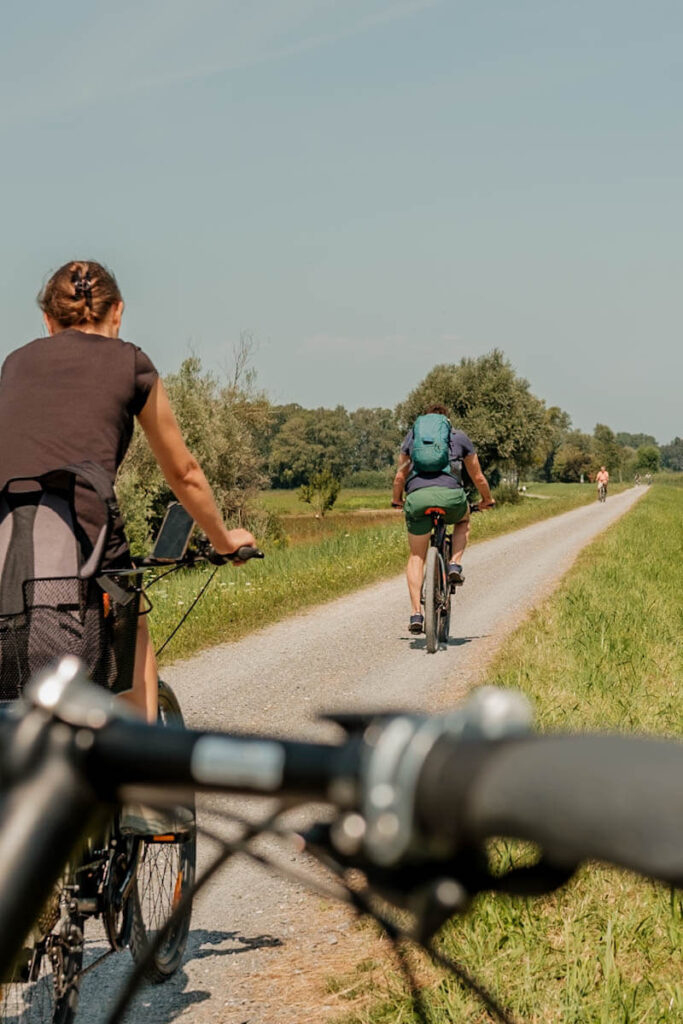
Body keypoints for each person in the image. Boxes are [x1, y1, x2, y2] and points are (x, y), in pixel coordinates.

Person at [0, 260, 255, 723]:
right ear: (117, 312)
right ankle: (147, 781)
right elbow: (185, 473)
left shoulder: (14, 364)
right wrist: (223, 542)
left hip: (6, 570)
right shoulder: (130, 362)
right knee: (133, 652)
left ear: (47, 320)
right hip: (89, 557)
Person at [391, 404, 494, 634]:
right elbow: (477, 476)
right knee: (463, 520)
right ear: (445, 422)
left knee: (417, 555)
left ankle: (417, 613)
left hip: (417, 499)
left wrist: (397, 500)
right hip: (451, 498)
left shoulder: (412, 438)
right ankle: (454, 563)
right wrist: (486, 500)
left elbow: (400, 477)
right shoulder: (459, 438)